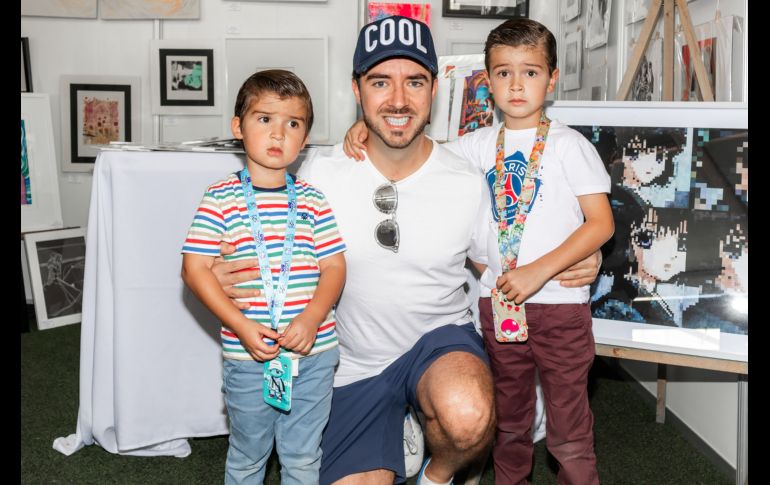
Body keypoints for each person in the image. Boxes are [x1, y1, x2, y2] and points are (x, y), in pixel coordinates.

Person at [211, 16, 602, 485]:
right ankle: (404, 429)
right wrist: (221, 268)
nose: (398, 100)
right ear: (357, 91)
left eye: (414, 81)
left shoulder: (465, 174)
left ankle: (436, 472)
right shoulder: (317, 172)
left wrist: (580, 258)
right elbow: (257, 228)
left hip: (438, 346)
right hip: (350, 366)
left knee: (466, 414)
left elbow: (496, 253)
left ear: (434, 89)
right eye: (380, 82)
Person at [343, 17, 614, 485]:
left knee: (568, 425)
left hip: (559, 307)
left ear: (551, 79)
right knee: (509, 419)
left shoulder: (571, 146)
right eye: (503, 72)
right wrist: (362, 129)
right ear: (487, 82)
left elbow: (601, 223)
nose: (516, 84)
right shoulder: (473, 147)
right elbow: (415, 146)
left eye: (530, 72)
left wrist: (539, 271)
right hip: (497, 304)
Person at [180, 69, 347, 484]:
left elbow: (335, 266)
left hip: (314, 354)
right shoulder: (220, 197)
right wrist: (239, 325)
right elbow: (194, 268)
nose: (279, 134)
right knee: (248, 454)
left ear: (305, 137)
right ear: (238, 127)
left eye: (293, 123)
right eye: (264, 119)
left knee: (304, 455)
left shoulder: (313, 200)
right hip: (247, 355)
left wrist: (311, 318)